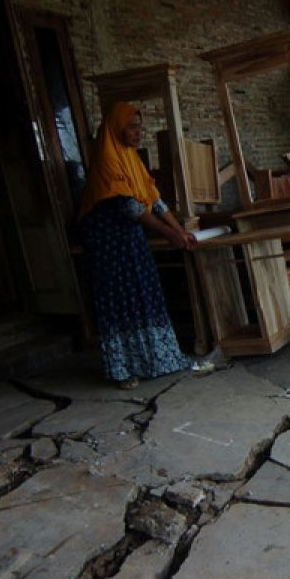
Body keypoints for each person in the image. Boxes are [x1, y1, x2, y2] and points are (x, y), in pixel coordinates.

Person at [78, 101, 199, 389]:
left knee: (144, 291)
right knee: (121, 299)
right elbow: (128, 206)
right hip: (108, 243)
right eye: (132, 127)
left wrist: (179, 229)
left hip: (131, 239)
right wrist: (169, 235)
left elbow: (152, 198)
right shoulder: (107, 159)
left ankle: (157, 360)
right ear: (117, 127)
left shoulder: (131, 158)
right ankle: (123, 370)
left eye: (140, 127)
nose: (138, 133)